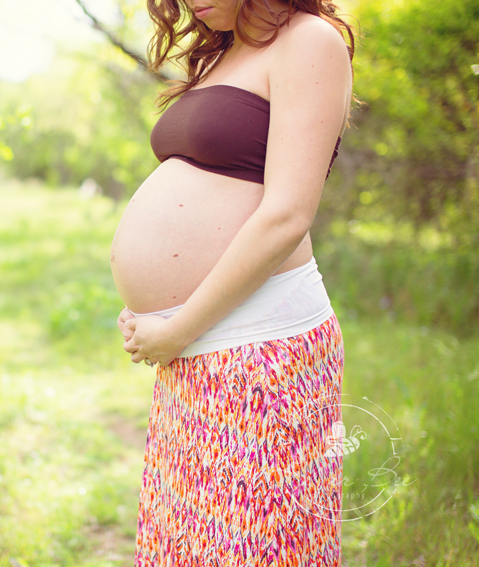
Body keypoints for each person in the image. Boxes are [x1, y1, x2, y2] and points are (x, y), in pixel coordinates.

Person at [108, 0, 355, 564]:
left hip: (262, 348)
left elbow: (288, 213)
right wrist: (155, 308)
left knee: (256, 543)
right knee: (192, 541)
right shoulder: (222, 55)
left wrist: (180, 324)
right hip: (198, 348)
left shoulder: (308, 40)